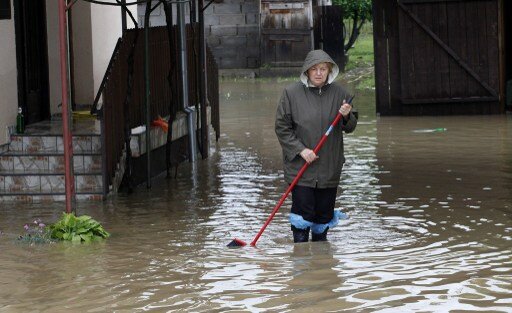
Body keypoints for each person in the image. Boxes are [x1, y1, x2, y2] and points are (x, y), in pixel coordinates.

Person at [275, 49, 357, 243]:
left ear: (329, 71)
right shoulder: (291, 94)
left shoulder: (340, 94)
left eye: (323, 69)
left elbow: (351, 126)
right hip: (301, 169)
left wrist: (346, 115)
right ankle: (302, 259)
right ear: (307, 71)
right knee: (303, 216)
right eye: (314, 69)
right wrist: (301, 150)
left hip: (329, 168)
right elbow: (281, 127)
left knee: (323, 218)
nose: (319, 73)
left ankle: (321, 261)